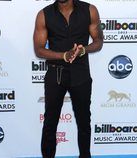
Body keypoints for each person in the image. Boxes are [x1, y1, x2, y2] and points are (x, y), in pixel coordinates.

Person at [33, 0, 103, 157]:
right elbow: (38, 49)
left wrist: (83, 50)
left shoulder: (89, 10)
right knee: (50, 122)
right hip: (55, 74)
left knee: (84, 121)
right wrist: (63, 55)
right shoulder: (44, 14)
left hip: (81, 73)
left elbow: (98, 42)